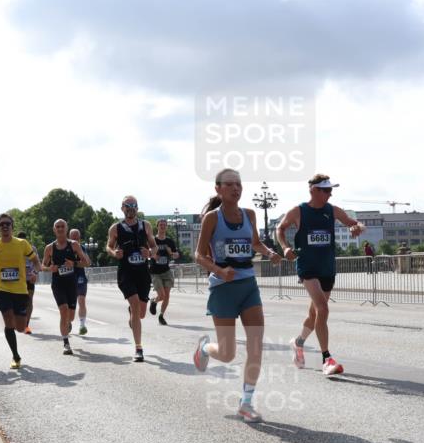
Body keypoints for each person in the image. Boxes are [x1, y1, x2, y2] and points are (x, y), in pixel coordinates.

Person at [193, 169, 283, 423]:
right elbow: (199, 255)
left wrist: (269, 252)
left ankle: (246, 403)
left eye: (239, 184)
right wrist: (220, 270)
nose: (236, 188)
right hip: (223, 288)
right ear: (218, 189)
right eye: (230, 184)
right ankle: (205, 348)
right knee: (228, 353)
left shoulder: (250, 215)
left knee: (256, 346)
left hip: (248, 286)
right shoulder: (212, 218)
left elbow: (254, 242)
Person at [276, 174, 365, 376]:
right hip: (307, 267)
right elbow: (280, 228)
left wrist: (356, 228)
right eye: (325, 190)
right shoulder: (298, 211)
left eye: (330, 190)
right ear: (313, 190)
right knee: (323, 308)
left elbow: (353, 223)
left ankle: (298, 343)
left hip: (327, 267)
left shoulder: (332, 210)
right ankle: (327, 359)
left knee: (315, 314)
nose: (329, 193)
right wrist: (285, 248)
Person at [0, 213, 42, 369]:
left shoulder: (22, 244)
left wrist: (35, 272)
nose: (5, 226)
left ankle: (18, 324)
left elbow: (34, 260)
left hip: (20, 290)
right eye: (2, 224)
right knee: (8, 320)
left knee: (20, 327)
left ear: (12, 227)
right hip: (2, 289)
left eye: (8, 224)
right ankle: (15, 356)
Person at [106, 195, 157, 362]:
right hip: (126, 272)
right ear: (122, 208)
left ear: (137, 208)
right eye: (128, 206)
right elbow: (109, 246)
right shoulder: (116, 228)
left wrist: (149, 253)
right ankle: (138, 348)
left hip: (143, 272)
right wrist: (114, 253)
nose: (131, 209)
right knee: (135, 304)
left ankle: (133, 315)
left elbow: (154, 246)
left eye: (134, 206)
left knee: (140, 313)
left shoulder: (146, 225)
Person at [42, 220, 91, 355]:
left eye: (62, 226)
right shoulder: (49, 248)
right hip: (58, 284)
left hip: (72, 283)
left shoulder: (74, 245)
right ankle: (66, 343)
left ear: (66, 228)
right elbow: (42, 266)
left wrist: (74, 264)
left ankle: (67, 323)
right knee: (63, 311)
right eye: (57, 227)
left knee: (71, 316)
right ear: (54, 229)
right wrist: (49, 268)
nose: (60, 229)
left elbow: (86, 263)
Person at [148, 218, 181, 325]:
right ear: (157, 226)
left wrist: (172, 253)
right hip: (155, 271)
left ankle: (161, 315)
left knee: (167, 296)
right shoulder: (153, 240)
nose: (162, 226)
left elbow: (176, 255)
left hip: (166, 271)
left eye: (164, 225)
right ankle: (154, 301)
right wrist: (153, 255)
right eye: (160, 225)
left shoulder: (169, 241)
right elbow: (146, 252)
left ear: (166, 227)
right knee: (161, 295)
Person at [16, 231, 39, 334]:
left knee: (29, 301)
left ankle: (26, 325)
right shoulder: (14, 248)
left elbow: (37, 262)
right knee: (18, 302)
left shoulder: (32, 249)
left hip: (29, 278)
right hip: (17, 279)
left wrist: (34, 273)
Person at [69, 228, 89, 335]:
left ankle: (82, 325)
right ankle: (67, 321)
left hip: (80, 277)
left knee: (82, 301)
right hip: (67, 278)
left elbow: (87, 262)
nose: (76, 239)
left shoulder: (82, 248)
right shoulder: (64, 247)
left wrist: (75, 264)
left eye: (77, 237)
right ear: (69, 237)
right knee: (68, 305)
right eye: (73, 237)